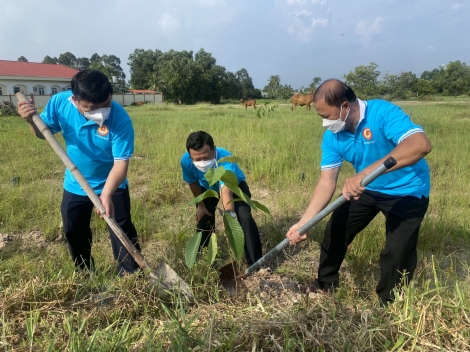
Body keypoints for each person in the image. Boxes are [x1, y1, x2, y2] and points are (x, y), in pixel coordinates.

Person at [286, 79, 431, 304]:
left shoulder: (382, 112)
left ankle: (389, 303)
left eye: (326, 115)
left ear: (345, 107)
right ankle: (325, 284)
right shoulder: (333, 136)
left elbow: (420, 144)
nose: (325, 123)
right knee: (335, 231)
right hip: (367, 189)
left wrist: (363, 174)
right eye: (320, 117)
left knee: (397, 251)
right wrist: (304, 222)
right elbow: (326, 182)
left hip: (408, 190)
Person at [17, 69, 141, 275]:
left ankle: (132, 275)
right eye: (92, 108)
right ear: (75, 99)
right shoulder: (59, 103)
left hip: (112, 182)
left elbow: (120, 164)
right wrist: (31, 120)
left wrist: (107, 194)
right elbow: (43, 134)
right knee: (74, 230)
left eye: (106, 105)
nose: (101, 112)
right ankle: (85, 272)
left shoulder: (120, 119)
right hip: (76, 182)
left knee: (122, 231)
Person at [180, 131, 262, 265]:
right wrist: (201, 206)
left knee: (244, 217)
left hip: (234, 185)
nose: (202, 162)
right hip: (207, 187)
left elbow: (226, 192)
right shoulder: (185, 161)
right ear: (190, 156)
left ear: (214, 149)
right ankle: (202, 262)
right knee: (204, 219)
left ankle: (255, 263)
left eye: (206, 157)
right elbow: (193, 183)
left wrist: (228, 217)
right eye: (197, 159)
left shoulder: (225, 158)